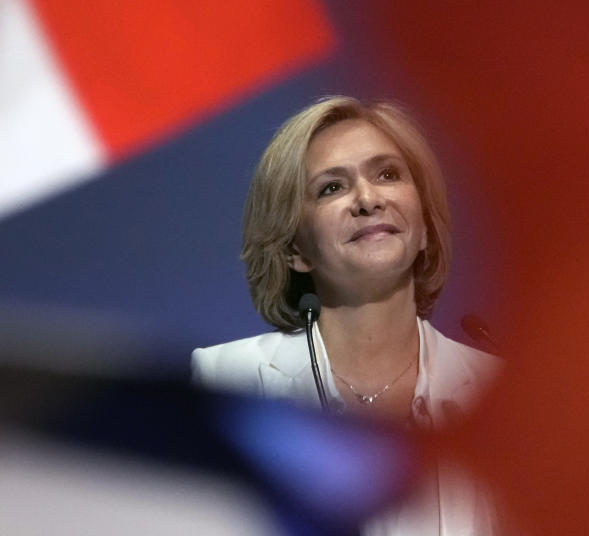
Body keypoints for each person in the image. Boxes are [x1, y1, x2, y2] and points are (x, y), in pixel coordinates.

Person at [191, 96, 502, 534]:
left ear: (425, 228)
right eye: (331, 187)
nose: (368, 199)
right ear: (296, 250)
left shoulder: (501, 398)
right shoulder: (225, 383)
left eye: (388, 174)